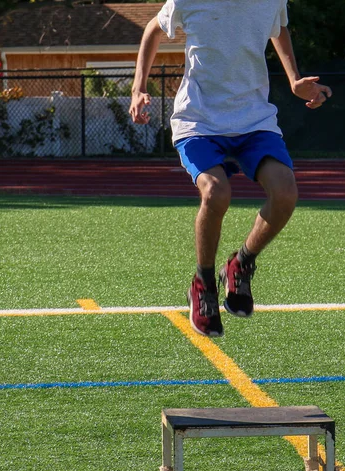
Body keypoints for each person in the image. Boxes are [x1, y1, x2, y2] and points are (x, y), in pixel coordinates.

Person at [130, 0, 331, 337]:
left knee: (285, 193)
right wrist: (138, 88)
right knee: (216, 191)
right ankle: (204, 283)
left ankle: (242, 262)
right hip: (199, 121)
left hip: (253, 119)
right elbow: (153, 29)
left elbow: (277, 27)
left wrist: (294, 78)